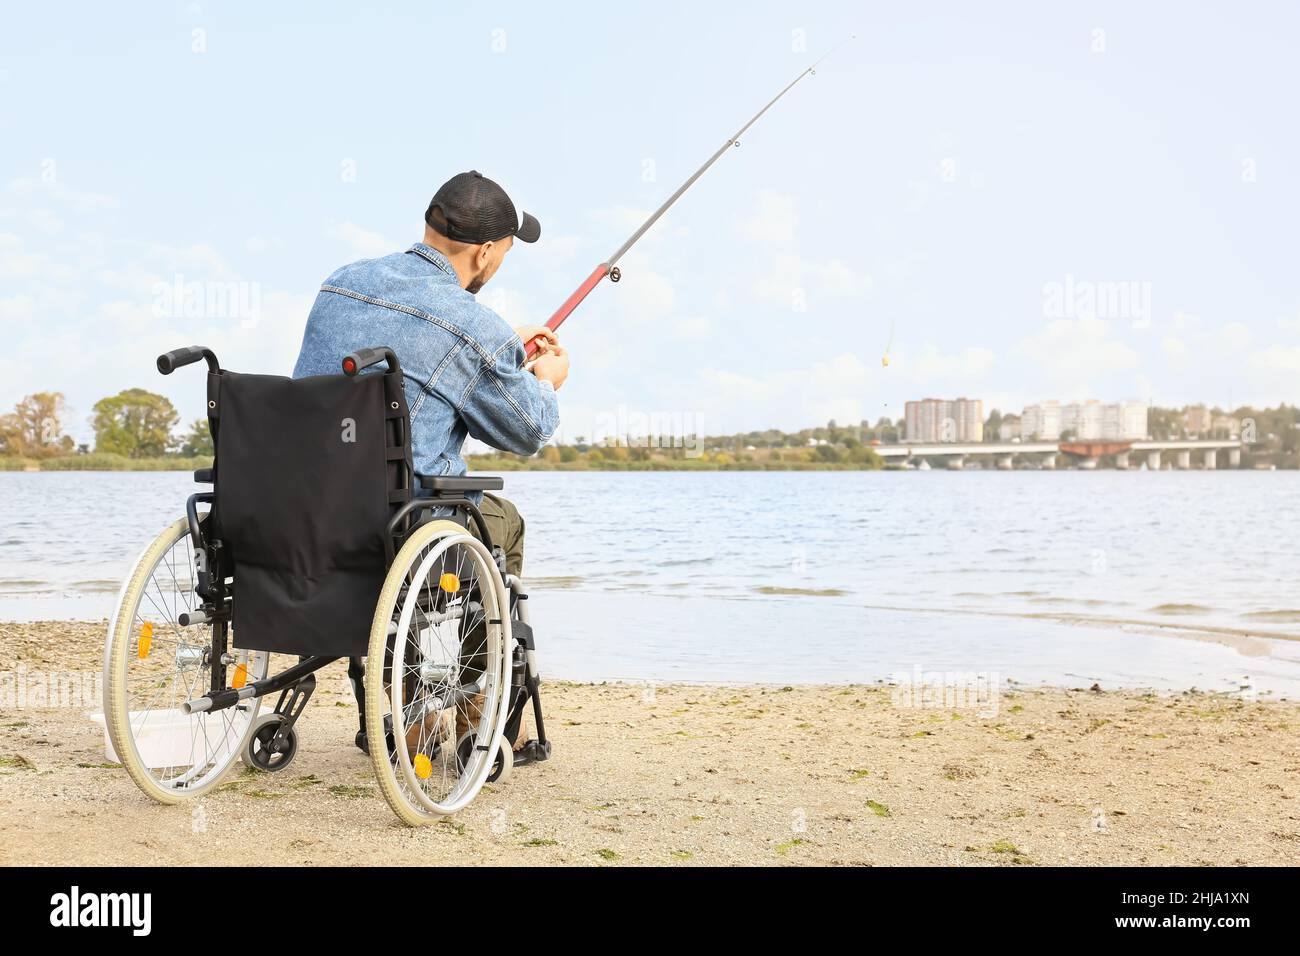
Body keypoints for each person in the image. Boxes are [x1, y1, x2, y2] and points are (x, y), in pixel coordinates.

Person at [293, 170, 569, 577]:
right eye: (506, 252)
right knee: (505, 521)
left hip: (301, 509)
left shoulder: (341, 283)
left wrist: (502, 344)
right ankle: (486, 643)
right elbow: (529, 430)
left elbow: (413, 341)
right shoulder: (474, 329)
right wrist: (547, 379)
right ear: (485, 252)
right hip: (394, 528)